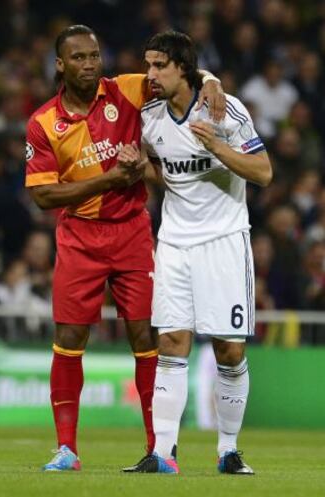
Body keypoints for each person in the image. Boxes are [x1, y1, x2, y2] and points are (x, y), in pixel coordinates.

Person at [25, 24, 226, 472]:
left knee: (145, 335)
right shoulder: (42, 123)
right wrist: (111, 179)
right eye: (78, 57)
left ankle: (159, 449)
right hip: (78, 236)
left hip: (132, 231)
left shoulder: (126, 91)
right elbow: (43, 196)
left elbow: (180, 74)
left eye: (94, 55)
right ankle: (67, 450)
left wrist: (211, 81)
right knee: (70, 337)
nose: (90, 64)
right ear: (60, 64)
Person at [123, 31, 272, 475]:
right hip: (173, 243)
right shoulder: (149, 116)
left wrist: (219, 148)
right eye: (148, 64)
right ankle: (164, 454)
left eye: (159, 66)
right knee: (169, 342)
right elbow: (169, 173)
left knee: (228, 350)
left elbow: (263, 172)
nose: (150, 74)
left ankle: (228, 450)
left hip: (223, 242)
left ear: (183, 69)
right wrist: (142, 169)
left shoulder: (223, 110)